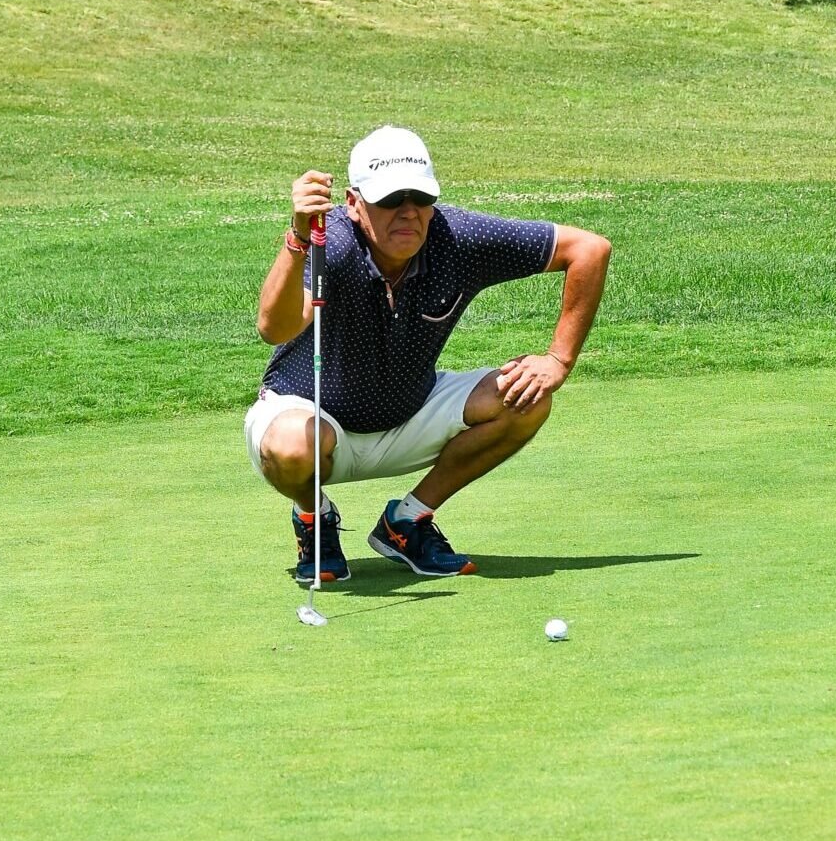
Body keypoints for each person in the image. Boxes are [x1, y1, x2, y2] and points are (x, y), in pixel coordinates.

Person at [246, 125, 612, 583]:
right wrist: (299, 240)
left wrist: (558, 359)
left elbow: (590, 250)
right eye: (390, 201)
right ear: (354, 203)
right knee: (292, 446)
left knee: (528, 398)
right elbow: (273, 327)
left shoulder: (457, 237)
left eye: (419, 198)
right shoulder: (330, 244)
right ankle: (313, 518)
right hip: (313, 420)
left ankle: (406, 523)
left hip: (410, 411)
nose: (408, 213)